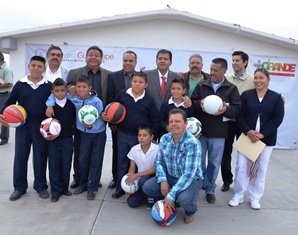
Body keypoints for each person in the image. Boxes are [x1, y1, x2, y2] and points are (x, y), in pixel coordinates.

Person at [228, 68, 284, 210]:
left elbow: (278, 118)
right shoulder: (246, 95)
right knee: (241, 166)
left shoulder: (276, 97)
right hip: (247, 138)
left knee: (260, 169)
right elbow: (239, 115)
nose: (258, 81)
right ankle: (238, 195)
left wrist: (262, 134)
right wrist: (248, 131)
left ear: (268, 80)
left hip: (266, 140)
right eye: (256, 78)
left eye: (261, 78)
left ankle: (255, 197)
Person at [0, 56, 52, 201]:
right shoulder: (20, 84)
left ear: (44, 69)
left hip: (41, 127)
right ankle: (19, 187)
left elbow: (54, 102)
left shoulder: (49, 85)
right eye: (33, 65)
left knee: (40, 157)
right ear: (28, 66)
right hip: (23, 126)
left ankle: (41, 186)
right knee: (21, 157)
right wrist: (1, 114)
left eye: (39, 66)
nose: (36, 68)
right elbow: (9, 102)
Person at [47, 75, 106, 200]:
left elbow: (101, 118)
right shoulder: (73, 98)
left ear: (90, 87)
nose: (81, 89)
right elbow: (55, 94)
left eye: (84, 87)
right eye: (78, 87)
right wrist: (50, 105)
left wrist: (92, 126)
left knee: (95, 160)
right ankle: (82, 184)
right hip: (82, 134)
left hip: (97, 134)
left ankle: (92, 187)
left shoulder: (97, 101)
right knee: (82, 160)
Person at [191, 58, 241, 204]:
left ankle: (210, 189)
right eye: (211, 69)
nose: (211, 72)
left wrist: (226, 110)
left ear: (224, 72)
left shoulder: (231, 89)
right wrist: (199, 104)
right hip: (201, 133)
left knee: (214, 163)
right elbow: (192, 104)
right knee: (198, 163)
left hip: (219, 133)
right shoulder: (202, 86)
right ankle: (197, 186)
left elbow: (237, 109)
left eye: (215, 70)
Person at [142, 109, 203, 224]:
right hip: (170, 176)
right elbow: (159, 162)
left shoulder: (193, 143)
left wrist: (171, 195)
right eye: (171, 122)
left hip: (191, 179)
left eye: (177, 121)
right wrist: (163, 180)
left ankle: (190, 211)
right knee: (147, 187)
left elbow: (189, 174)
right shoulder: (165, 138)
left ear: (185, 124)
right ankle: (171, 201)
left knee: (184, 199)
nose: (174, 124)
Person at [105, 72, 159, 199]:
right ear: (131, 82)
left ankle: (134, 189)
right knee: (121, 162)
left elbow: (155, 119)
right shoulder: (123, 94)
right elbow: (111, 109)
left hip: (139, 138)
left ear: (146, 84)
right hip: (122, 134)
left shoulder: (149, 99)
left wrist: (154, 137)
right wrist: (110, 121)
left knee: (136, 165)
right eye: (135, 81)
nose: (137, 84)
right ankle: (120, 188)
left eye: (140, 82)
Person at [66, 45, 111, 189]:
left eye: (96, 55)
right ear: (85, 57)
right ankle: (78, 178)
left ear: (101, 59)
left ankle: (94, 180)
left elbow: (110, 96)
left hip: (99, 122)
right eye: (90, 54)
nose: (93, 57)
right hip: (79, 122)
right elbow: (67, 90)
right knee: (80, 152)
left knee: (96, 155)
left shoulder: (108, 75)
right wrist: (70, 87)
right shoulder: (74, 73)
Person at [220, 51, 254, 192]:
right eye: (233, 60)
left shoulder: (253, 80)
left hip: (244, 123)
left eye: (237, 60)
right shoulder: (226, 78)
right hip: (227, 121)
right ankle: (227, 181)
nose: (234, 63)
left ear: (245, 62)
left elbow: (263, 93)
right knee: (225, 153)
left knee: (243, 155)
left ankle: (242, 183)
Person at [106, 50, 137, 189]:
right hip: (117, 122)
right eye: (125, 60)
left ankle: (133, 178)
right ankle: (116, 178)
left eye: (131, 61)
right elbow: (110, 99)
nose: (128, 63)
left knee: (135, 153)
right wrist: (111, 121)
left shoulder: (141, 77)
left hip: (135, 123)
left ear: (135, 63)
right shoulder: (113, 76)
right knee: (117, 152)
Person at [46, 78, 76, 202]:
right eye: (57, 91)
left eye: (62, 90)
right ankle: (55, 191)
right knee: (54, 165)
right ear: (52, 92)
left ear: (67, 91)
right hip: (53, 141)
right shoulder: (50, 107)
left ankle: (64, 188)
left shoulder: (72, 104)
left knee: (66, 164)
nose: (60, 93)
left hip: (68, 139)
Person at [125, 124, 158, 208]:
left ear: (151, 137)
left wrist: (136, 175)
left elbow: (154, 170)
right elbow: (132, 169)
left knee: (144, 180)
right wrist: (129, 186)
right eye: (139, 135)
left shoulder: (157, 149)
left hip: (154, 179)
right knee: (131, 202)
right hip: (140, 181)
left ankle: (152, 197)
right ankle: (145, 194)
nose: (141, 137)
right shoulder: (134, 149)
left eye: (145, 135)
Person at [0, 51, 14, 145]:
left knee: (4, 115)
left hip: (5, 95)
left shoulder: (7, 69)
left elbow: (9, 83)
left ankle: (4, 138)